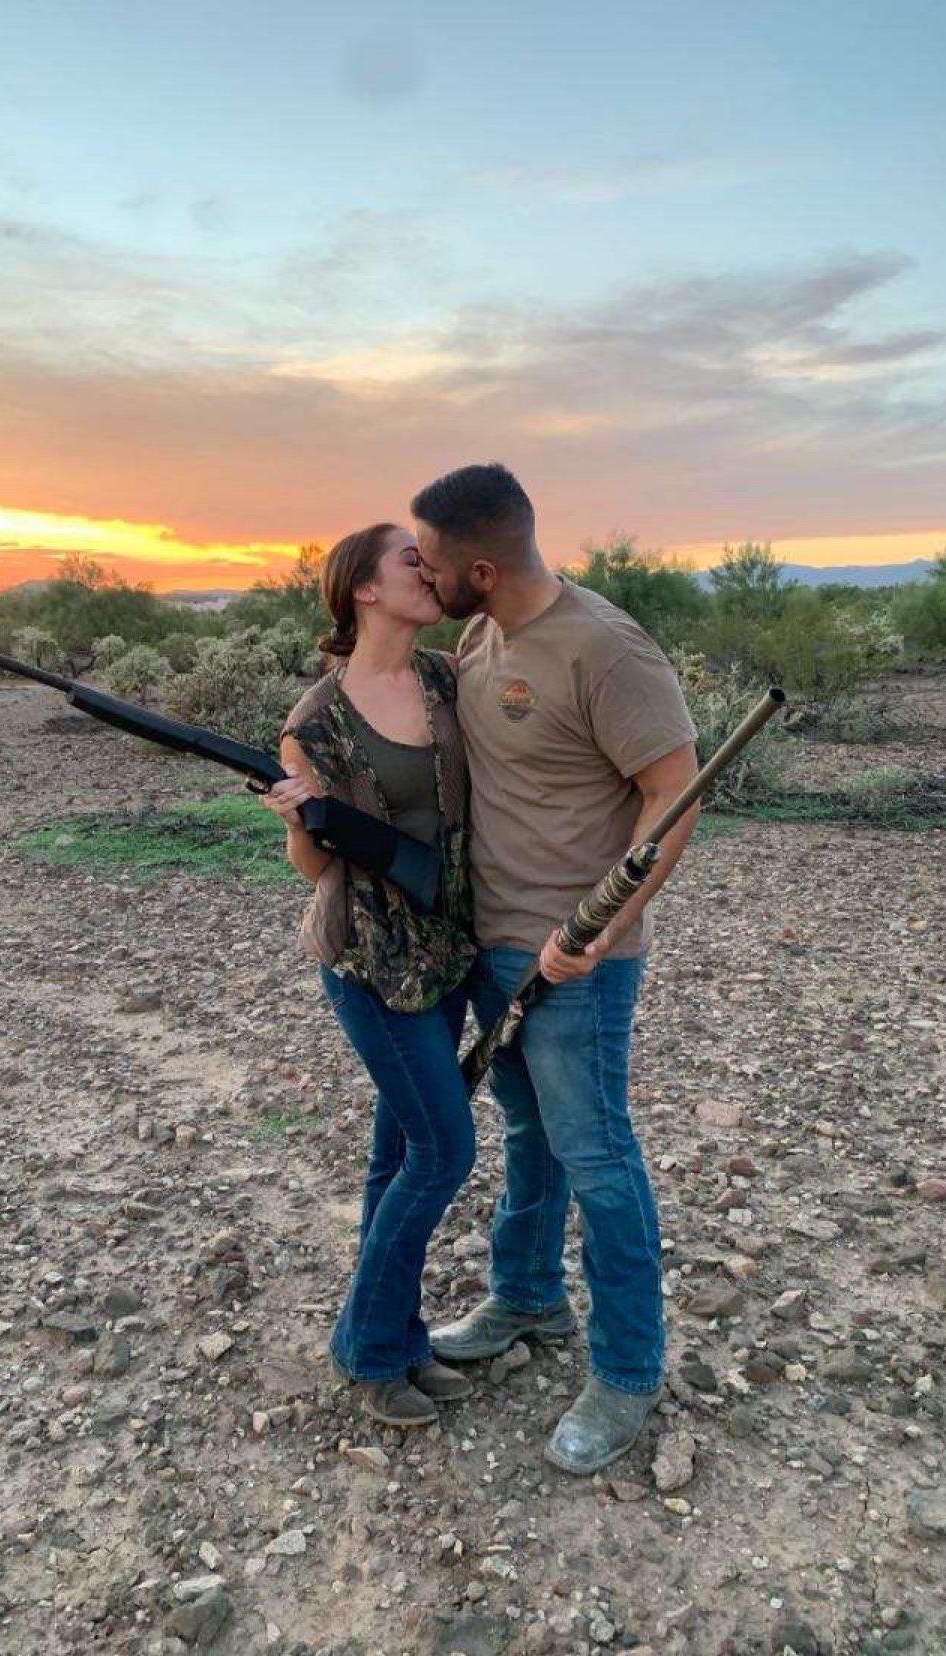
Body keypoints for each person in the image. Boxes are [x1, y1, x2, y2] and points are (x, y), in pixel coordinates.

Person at [408, 462, 701, 1475]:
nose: (422, 573)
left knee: (597, 1155)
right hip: (490, 946)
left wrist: (607, 925)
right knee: (529, 1133)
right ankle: (528, 1297)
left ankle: (628, 1370)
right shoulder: (479, 636)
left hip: (576, 959)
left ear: (481, 569)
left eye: (432, 561)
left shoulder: (607, 648)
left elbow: (675, 790)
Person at [257, 522, 480, 1428]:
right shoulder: (314, 722)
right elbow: (315, 871)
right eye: (409, 561)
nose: (429, 571)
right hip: (370, 961)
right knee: (446, 1150)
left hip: (450, 948)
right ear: (364, 589)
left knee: (400, 1156)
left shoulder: (446, 679)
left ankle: (399, 1339)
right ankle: (368, 1345)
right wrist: (302, 821)